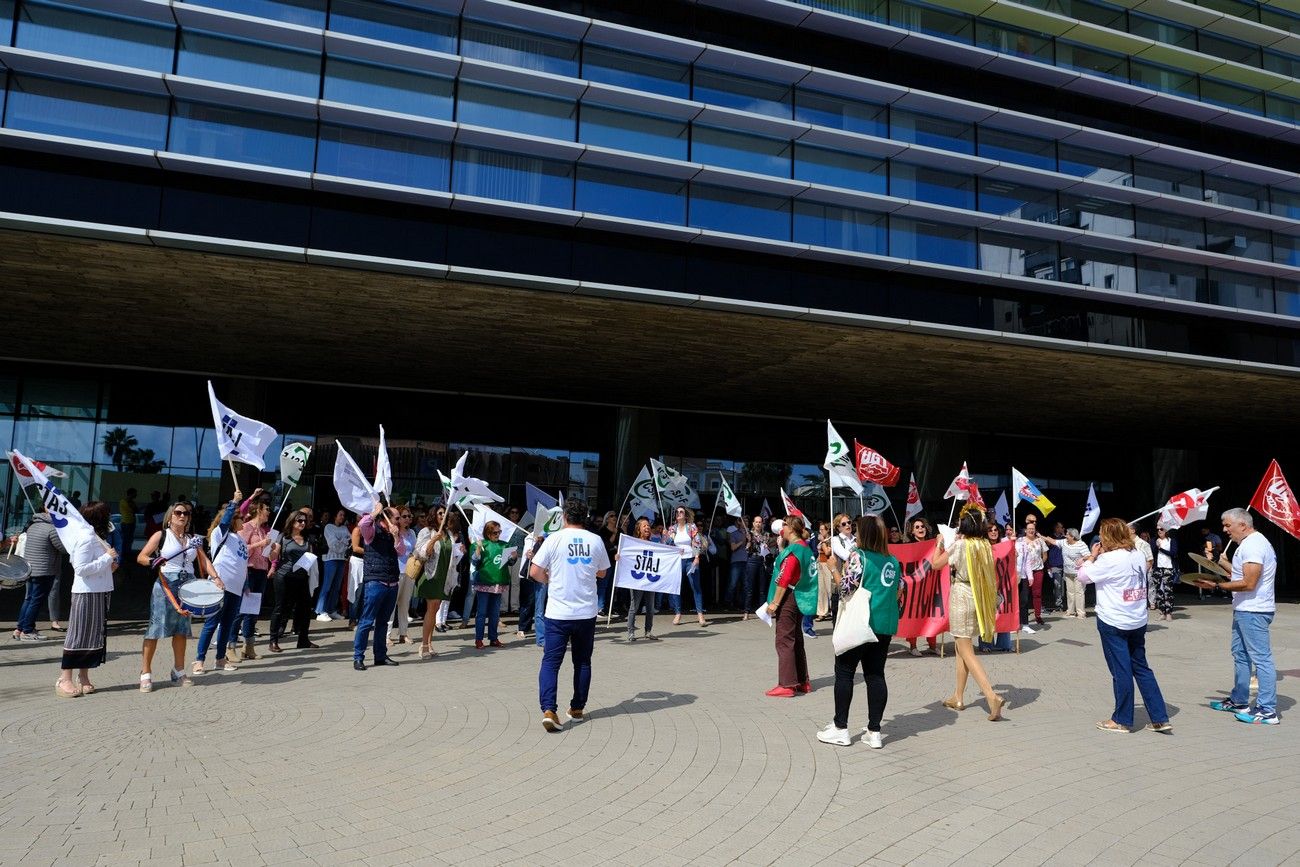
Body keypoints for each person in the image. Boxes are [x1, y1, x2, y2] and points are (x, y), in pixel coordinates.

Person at [1076, 518, 1171, 733]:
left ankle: (1122, 719)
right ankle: (1159, 716)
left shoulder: (1108, 560)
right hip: (1136, 619)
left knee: (1121, 671)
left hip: (1114, 620)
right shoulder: (1137, 554)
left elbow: (1082, 576)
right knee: (1141, 667)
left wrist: (1092, 556)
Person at [817, 515, 900, 748]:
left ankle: (841, 728)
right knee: (876, 675)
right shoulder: (893, 560)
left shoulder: (858, 556)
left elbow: (845, 589)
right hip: (884, 624)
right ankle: (874, 732)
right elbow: (898, 591)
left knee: (844, 672)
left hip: (860, 623)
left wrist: (834, 569)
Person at [529, 499, 610, 732]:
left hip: (558, 611)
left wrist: (550, 580)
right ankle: (577, 708)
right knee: (582, 661)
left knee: (551, 662)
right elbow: (603, 573)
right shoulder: (596, 540)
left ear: (564, 516)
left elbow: (534, 571)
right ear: (585, 516)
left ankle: (548, 709)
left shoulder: (554, 539)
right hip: (585, 611)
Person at [926, 507, 1007, 722]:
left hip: (961, 594)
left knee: (965, 649)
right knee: (963, 648)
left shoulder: (960, 545)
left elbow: (935, 565)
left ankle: (991, 696)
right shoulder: (985, 546)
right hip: (979, 597)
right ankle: (958, 697)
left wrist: (938, 544)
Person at [1199, 508, 1279, 725]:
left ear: (1242, 524)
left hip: (1254, 610)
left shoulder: (1253, 544)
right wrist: (1221, 563)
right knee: (1241, 655)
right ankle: (1239, 700)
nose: (1225, 530)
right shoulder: (1249, 544)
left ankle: (1267, 711)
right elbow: (1241, 575)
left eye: (1227, 525)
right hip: (1245, 609)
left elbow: (1249, 583)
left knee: (1261, 659)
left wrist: (1216, 585)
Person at [137, 500, 219, 692]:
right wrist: (152, 561)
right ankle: (145, 672)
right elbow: (141, 556)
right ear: (170, 516)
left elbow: (203, 560)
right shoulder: (161, 535)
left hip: (188, 585)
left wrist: (216, 577)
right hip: (166, 584)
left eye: (187, 513)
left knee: (182, 630)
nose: (183, 516)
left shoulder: (193, 539)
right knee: (155, 629)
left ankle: (179, 671)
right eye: (179, 512)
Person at [195, 491, 267, 674]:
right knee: (212, 623)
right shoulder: (221, 534)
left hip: (236, 588)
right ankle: (199, 660)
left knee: (226, 625)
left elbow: (242, 564)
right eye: (241, 518)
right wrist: (235, 501)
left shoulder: (240, 540)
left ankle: (220, 658)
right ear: (234, 519)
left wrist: (246, 584)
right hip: (220, 585)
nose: (244, 520)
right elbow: (225, 520)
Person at [55, 502, 119, 697]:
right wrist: (107, 559)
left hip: (99, 591)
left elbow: (94, 565)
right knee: (78, 634)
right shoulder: (86, 537)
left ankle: (83, 676)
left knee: (92, 636)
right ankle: (64, 678)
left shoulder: (97, 537)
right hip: (86, 593)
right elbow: (81, 568)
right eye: (106, 514)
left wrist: (109, 566)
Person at [764, 516, 815, 698]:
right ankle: (802, 681)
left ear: (791, 529)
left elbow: (784, 578)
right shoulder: (804, 548)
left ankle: (787, 684)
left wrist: (774, 603)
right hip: (801, 596)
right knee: (796, 639)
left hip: (790, 597)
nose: (781, 528)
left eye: (784, 525)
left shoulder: (794, 550)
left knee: (784, 640)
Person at [353, 503, 405, 670]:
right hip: (376, 581)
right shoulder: (372, 530)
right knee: (367, 621)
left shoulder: (395, 533)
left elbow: (402, 552)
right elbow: (362, 524)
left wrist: (397, 537)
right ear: (387, 518)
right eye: (397, 518)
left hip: (392, 582)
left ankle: (380, 656)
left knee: (383, 622)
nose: (399, 521)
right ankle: (358, 657)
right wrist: (376, 511)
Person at [416, 510, 464, 659]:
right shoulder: (427, 531)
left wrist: (459, 552)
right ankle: (423, 645)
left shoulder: (448, 533)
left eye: (445, 513)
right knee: (432, 607)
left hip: (444, 576)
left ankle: (429, 644)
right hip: (431, 575)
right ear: (434, 515)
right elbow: (420, 553)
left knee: (435, 609)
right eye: (440, 513)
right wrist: (433, 540)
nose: (443, 515)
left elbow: (451, 557)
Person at [13, 505, 66, 641]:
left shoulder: (33, 526)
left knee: (29, 599)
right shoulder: (51, 529)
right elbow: (63, 548)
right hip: (44, 570)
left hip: (30, 569)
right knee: (35, 601)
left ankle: (19, 628)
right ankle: (28, 631)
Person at [268, 511, 317, 654]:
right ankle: (273, 641)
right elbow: (273, 557)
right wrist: (270, 550)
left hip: (302, 577)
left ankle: (303, 639)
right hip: (284, 576)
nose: (302, 523)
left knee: (305, 608)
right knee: (280, 608)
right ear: (292, 521)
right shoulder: (283, 537)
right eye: (299, 520)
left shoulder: (308, 538)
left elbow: (312, 555)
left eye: (304, 521)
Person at [232, 494, 272, 660]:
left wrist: (273, 550)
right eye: (267, 509)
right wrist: (259, 544)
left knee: (253, 611)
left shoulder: (264, 530)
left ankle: (248, 647)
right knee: (241, 609)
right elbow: (240, 549)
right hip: (249, 571)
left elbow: (268, 555)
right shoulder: (247, 527)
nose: (269, 512)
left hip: (261, 571)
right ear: (259, 510)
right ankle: (230, 647)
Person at [471, 520, 517, 649]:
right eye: (494, 532)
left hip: (498, 583)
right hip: (484, 582)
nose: (497, 534)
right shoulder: (481, 544)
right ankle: (479, 639)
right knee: (481, 613)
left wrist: (513, 557)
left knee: (495, 613)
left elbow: (510, 563)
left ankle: (493, 638)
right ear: (488, 533)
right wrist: (478, 548)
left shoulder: (504, 545)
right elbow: (474, 561)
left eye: (499, 532)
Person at [666, 506, 706, 627]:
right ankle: (678, 613)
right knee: (676, 586)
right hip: (677, 561)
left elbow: (697, 542)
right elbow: (668, 544)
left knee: (695, 586)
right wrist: (667, 537)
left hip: (690, 560)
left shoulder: (691, 526)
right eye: (677, 512)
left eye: (681, 512)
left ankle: (700, 614)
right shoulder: (672, 528)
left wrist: (697, 557)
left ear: (685, 515)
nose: (679, 514)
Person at [977, 520, 1013, 653]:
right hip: (986, 585)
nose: (993, 532)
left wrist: (1013, 549)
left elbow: (1011, 563)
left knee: (1004, 612)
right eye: (990, 530)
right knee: (987, 615)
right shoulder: (981, 547)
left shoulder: (1005, 545)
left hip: (1003, 585)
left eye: (995, 530)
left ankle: (1004, 644)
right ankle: (986, 643)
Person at [906, 518, 938, 655]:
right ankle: (913, 646)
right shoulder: (908, 546)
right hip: (915, 586)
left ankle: (932, 644)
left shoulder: (933, 545)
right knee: (914, 615)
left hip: (930, 584)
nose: (920, 529)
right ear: (912, 531)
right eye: (917, 527)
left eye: (922, 526)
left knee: (931, 614)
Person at [386, 506, 418, 646]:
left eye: (409, 516)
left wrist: (415, 555)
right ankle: (387, 635)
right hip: (396, 571)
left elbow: (416, 548)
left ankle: (403, 633)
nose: (407, 519)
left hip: (409, 571)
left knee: (405, 604)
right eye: (404, 516)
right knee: (391, 604)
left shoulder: (411, 532)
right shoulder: (394, 532)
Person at [623, 518, 659, 642]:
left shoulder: (654, 543)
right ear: (638, 529)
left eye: (648, 525)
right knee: (635, 605)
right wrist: (618, 557)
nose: (647, 528)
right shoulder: (633, 544)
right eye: (644, 526)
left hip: (649, 579)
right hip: (637, 580)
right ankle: (631, 632)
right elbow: (625, 556)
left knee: (650, 606)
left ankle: (648, 631)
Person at [318, 510, 351, 620]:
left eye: (343, 515)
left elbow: (350, 541)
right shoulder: (328, 527)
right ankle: (320, 610)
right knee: (327, 585)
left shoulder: (345, 528)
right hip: (330, 559)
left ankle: (331, 609)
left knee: (336, 587)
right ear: (335, 516)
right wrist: (344, 542)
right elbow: (332, 544)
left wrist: (340, 542)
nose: (342, 517)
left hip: (342, 559)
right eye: (340, 514)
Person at [1016, 519, 1048, 629]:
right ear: (1025, 530)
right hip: (1023, 572)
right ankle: (1020, 619)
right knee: (1023, 596)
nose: (1031, 531)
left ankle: (1038, 615)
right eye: (1029, 529)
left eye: (1033, 529)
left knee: (1037, 594)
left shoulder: (1040, 541)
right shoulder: (1020, 541)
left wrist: (1039, 564)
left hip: (1038, 570)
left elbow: (1045, 555)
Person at [741, 515, 769, 621]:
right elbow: (747, 549)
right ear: (753, 523)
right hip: (752, 560)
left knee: (762, 588)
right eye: (756, 522)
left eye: (760, 522)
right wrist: (748, 541)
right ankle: (746, 612)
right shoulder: (749, 534)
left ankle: (762, 612)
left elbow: (768, 546)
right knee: (750, 588)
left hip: (762, 560)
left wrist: (767, 546)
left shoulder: (766, 534)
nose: (758, 524)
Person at [1149, 526, 1179, 621]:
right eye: (1157, 529)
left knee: (1168, 590)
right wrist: (1155, 546)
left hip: (1168, 567)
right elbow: (1151, 553)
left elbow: (1173, 553)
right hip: (1157, 568)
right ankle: (1162, 612)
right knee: (1158, 590)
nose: (1159, 531)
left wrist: (1160, 548)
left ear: (1166, 531)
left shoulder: (1171, 540)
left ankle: (1169, 612)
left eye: (1161, 529)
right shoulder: (1154, 540)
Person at [726, 515, 749, 611]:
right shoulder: (734, 534)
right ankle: (728, 603)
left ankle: (741, 604)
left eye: (747, 521)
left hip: (747, 561)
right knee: (733, 583)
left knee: (745, 585)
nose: (746, 523)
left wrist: (749, 540)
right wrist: (742, 541)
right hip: (736, 561)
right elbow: (733, 548)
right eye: (744, 521)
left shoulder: (749, 534)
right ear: (739, 522)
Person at [117, 487, 138, 558]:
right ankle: (123, 554)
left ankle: (127, 553)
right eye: (135, 493)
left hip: (131, 522)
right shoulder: (124, 501)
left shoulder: (131, 502)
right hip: (126, 523)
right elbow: (133, 510)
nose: (136, 495)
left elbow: (136, 510)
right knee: (125, 539)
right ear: (131, 494)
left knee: (130, 539)